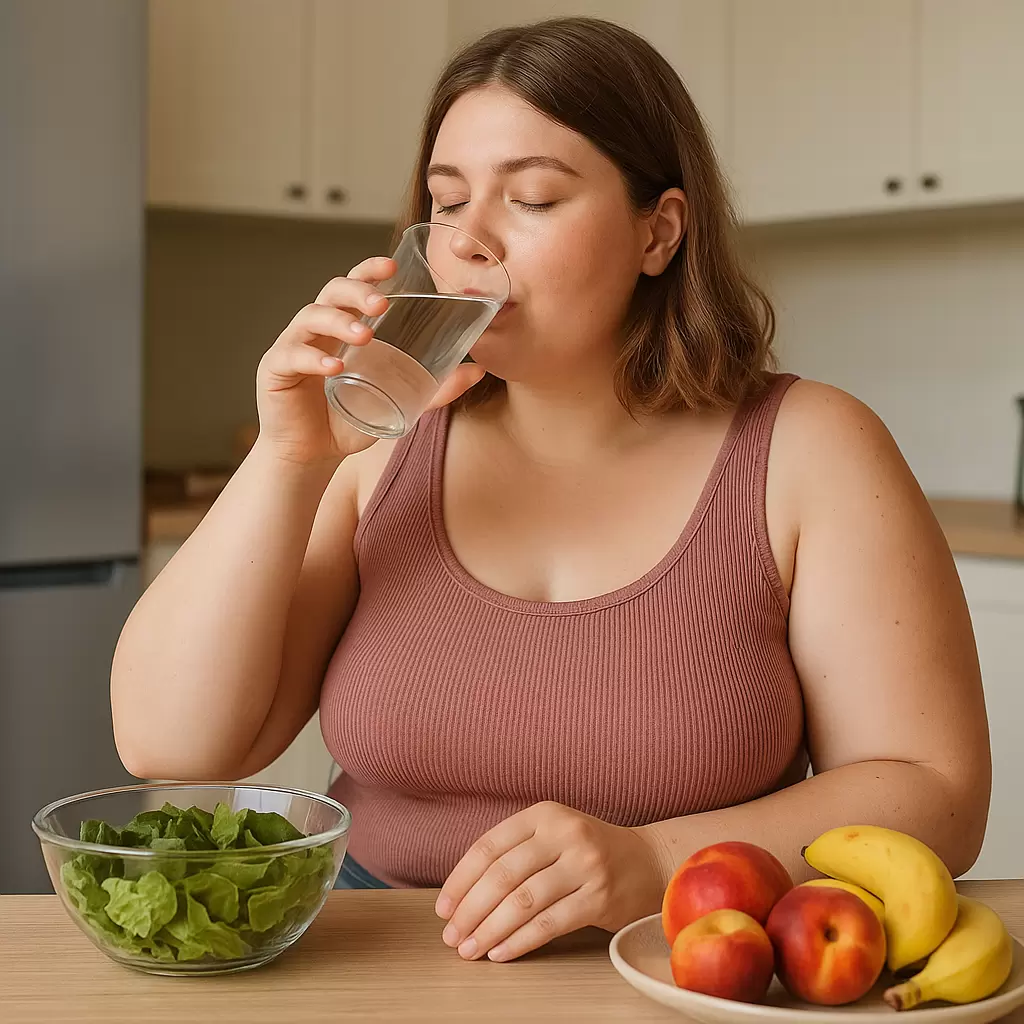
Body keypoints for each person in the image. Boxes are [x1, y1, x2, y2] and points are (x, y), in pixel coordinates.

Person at [111, 18, 991, 965]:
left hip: (683, 959)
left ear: (659, 233)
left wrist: (654, 859)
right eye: (446, 205)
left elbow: (933, 788)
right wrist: (289, 458)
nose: (470, 242)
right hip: (371, 961)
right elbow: (171, 745)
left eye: (531, 198)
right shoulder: (373, 455)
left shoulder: (811, 449)